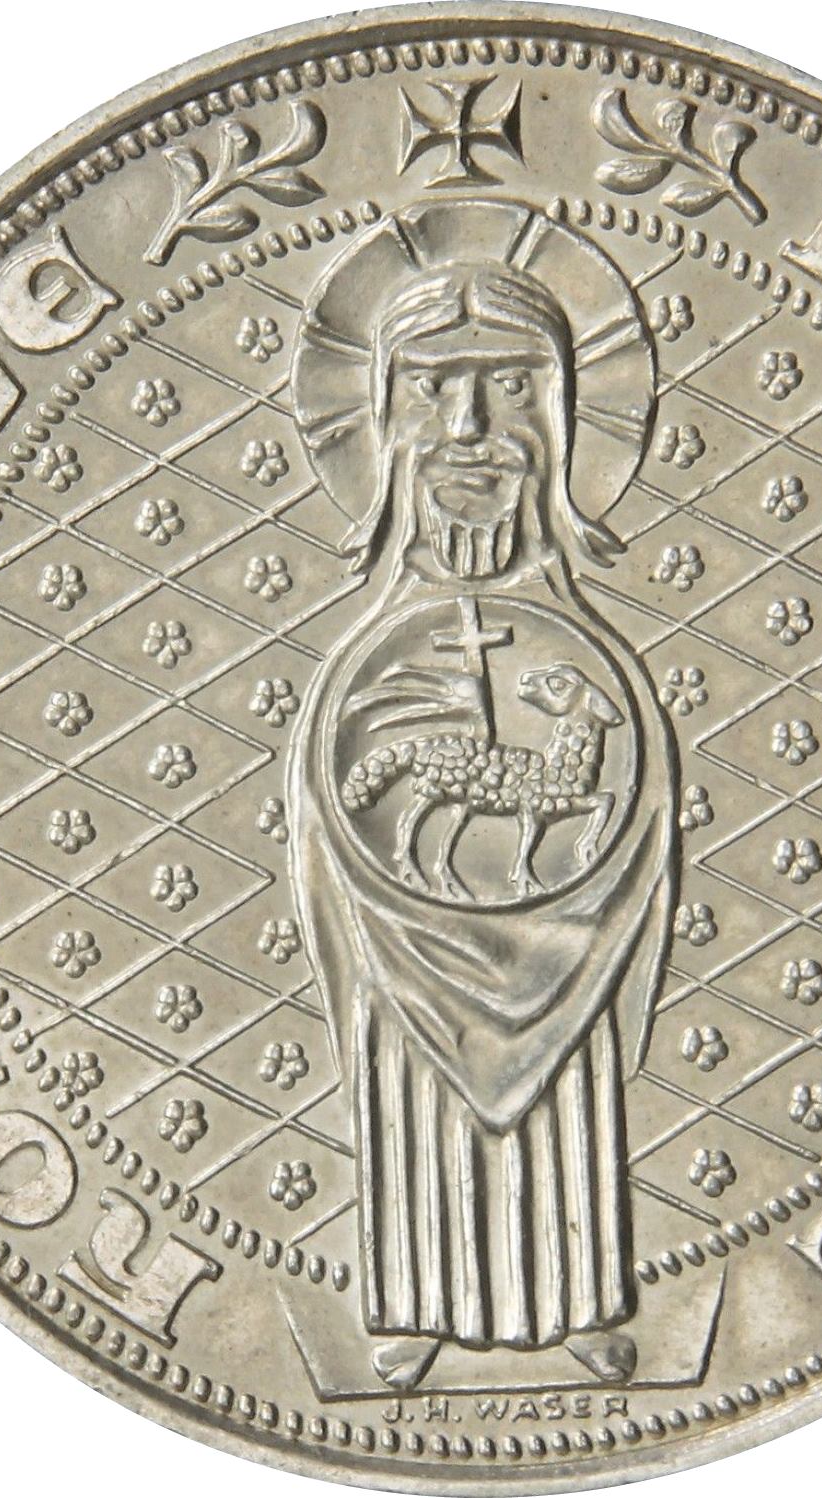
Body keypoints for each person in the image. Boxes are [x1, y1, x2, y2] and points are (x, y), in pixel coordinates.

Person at [288, 201, 675, 1390]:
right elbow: (327, 832)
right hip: (403, 939)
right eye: (431, 388)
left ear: (560, 415)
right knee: (404, 1082)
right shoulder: (367, 653)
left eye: (508, 387)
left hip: (566, 932)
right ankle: (415, 1301)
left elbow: (638, 812)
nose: (468, 428)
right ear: (382, 417)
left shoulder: (590, 644)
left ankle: (578, 1296)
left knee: (571, 1088)